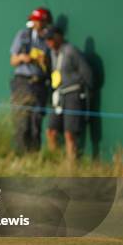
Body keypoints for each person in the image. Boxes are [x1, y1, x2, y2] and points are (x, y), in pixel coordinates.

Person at [45, 26, 93, 161]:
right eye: (46, 39)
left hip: (73, 94)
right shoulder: (52, 53)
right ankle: (53, 163)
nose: (48, 42)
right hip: (58, 95)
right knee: (51, 131)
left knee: (69, 134)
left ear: (59, 37)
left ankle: (71, 167)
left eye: (51, 39)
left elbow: (87, 73)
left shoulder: (71, 51)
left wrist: (88, 93)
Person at [10, 7, 52, 154]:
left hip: (39, 83)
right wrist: (23, 58)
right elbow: (13, 60)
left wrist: (44, 60)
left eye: (41, 21)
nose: (38, 24)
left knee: (36, 121)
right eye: (36, 21)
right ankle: (20, 155)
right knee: (22, 121)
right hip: (23, 82)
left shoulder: (48, 40)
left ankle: (34, 156)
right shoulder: (24, 35)